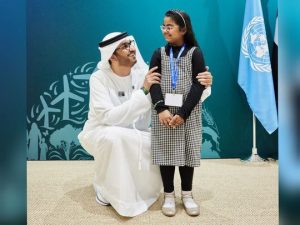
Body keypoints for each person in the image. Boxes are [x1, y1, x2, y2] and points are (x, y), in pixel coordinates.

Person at [78, 31, 213, 217]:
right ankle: (105, 189)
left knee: (162, 143)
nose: (132, 48)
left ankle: (143, 193)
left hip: (139, 132)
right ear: (111, 55)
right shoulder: (99, 78)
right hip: (102, 132)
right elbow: (108, 117)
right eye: (125, 46)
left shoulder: (145, 73)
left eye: (131, 43)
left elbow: (177, 94)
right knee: (115, 138)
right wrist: (143, 90)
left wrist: (204, 85)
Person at [149, 9, 207, 217]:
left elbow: (198, 85)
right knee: (166, 154)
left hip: (188, 113)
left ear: (183, 29)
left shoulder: (195, 53)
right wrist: (161, 109)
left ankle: (188, 195)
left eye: (169, 26)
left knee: (187, 154)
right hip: (164, 115)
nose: (165, 30)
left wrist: (183, 113)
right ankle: (169, 195)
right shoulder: (158, 53)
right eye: (163, 26)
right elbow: (153, 83)